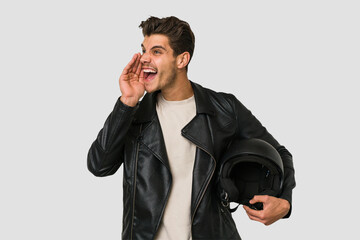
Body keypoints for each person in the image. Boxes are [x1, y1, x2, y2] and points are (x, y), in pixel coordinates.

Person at [87, 16, 296, 240]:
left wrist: (284, 201)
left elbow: (280, 153)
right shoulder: (133, 113)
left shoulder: (225, 109)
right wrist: (127, 102)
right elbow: (99, 166)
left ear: (182, 59)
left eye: (156, 52)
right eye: (144, 49)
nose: (144, 58)